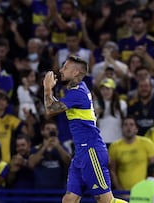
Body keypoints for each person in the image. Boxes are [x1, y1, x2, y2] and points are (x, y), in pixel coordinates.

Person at [43, 55, 127, 203]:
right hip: (81, 153)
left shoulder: (78, 93)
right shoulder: (78, 91)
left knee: (106, 200)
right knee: (69, 199)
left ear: (76, 72)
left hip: (91, 151)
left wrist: (47, 88)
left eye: (65, 67)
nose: (61, 70)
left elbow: (50, 111)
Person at [108, 116, 154, 190]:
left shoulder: (147, 143)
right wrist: (120, 190)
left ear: (136, 129)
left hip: (144, 190)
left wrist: (148, 187)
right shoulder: (114, 146)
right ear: (122, 129)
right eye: (125, 125)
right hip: (123, 192)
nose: (128, 127)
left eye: (131, 125)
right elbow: (112, 171)